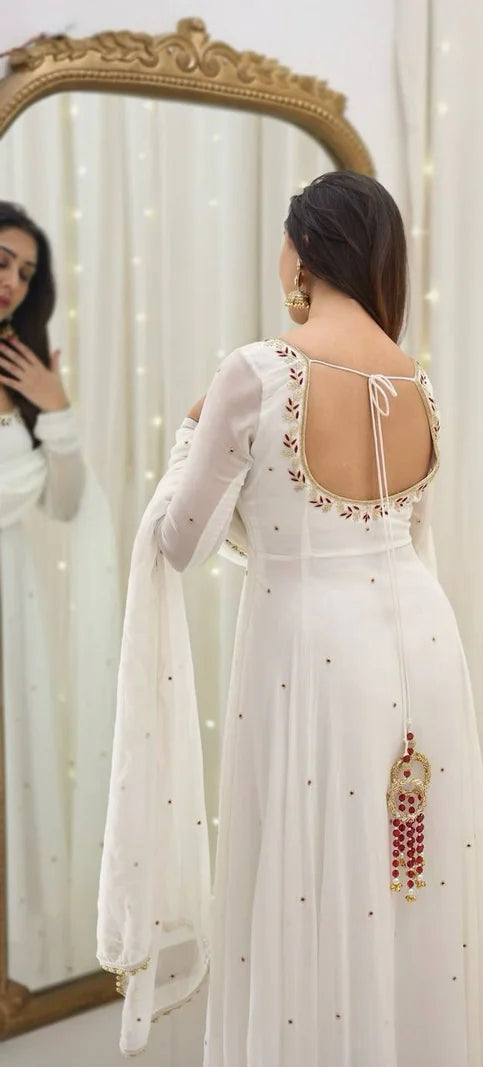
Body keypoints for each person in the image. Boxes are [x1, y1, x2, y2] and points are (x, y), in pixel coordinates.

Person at [98, 171, 483, 1066]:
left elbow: (181, 541)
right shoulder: (417, 382)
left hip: (313, 650)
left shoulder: (257, 371)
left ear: (305, 250)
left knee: (310, 877)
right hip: (423, 643)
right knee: (410, 878)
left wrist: (192, 431)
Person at [0, 201, 105, 988]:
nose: (11, 281)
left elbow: (65, 505)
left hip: (16, 607)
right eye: (0, 261)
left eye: (25, 272)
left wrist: (57, 408)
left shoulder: (23, 372)